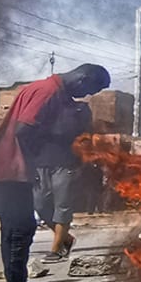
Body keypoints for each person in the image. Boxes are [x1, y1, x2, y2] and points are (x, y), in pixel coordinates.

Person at [0, 63, 110, 282]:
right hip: (10, 168)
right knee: (19, 230)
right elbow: (24, 130)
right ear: (82, 79)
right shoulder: (48, 92)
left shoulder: (49, 90)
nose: (89, 94)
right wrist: (40, 158)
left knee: (18, 229)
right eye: (93, 87)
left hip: (11, 167)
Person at [35, 95, 93, 263]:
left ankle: (57, 249)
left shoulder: (79, 110)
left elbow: (85, 136)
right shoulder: (41, 110)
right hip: (42, 162)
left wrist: (83, 161)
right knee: (39, 203)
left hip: (66, 163)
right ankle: (66, 239)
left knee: (62, 205)